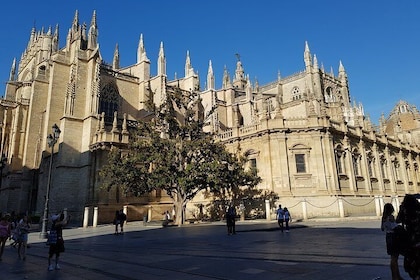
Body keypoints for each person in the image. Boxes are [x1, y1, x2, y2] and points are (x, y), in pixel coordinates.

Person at [396, 194, 420, 280]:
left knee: (412, 259)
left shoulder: (404, 209)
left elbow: (398, 220)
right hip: (418, 237)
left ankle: (415, 275)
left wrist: (401, 209)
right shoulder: (418, 208)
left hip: (410, 238)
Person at [381, 203, 404, 280]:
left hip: (388, 236)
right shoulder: (391, 217)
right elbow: (395, 227)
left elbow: (382, 228)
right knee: (395, 258)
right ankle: (396, 277)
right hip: (394, 237)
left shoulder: (383, 218)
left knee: (392, 258)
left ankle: (395, 276)